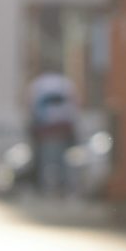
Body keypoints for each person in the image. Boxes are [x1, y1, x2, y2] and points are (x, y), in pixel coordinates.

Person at [25, 67, 80, 196]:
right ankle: (63, 188)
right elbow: (75, 104)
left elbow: (29, 104)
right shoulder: (66, 83)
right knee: (63, 161)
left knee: (45, 160)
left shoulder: (37, 84)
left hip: (45, 130)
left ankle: (46, 188)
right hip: (62, 129)